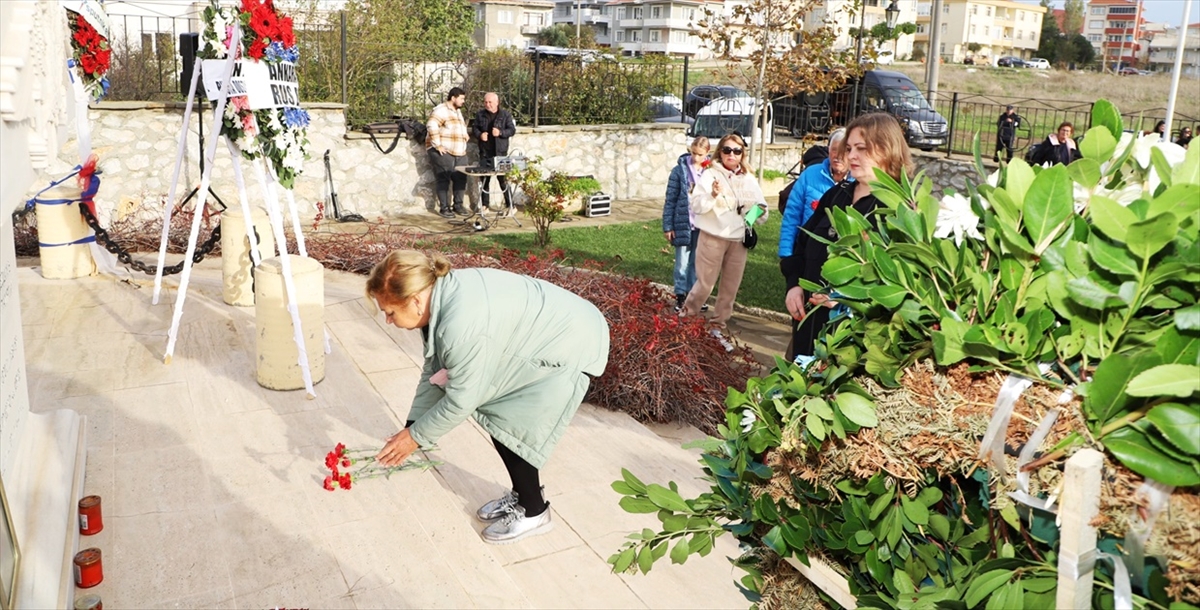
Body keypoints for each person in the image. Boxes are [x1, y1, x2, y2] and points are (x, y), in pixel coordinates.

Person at [368, 250, 610, 544]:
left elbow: (461, 400)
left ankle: (534, 512)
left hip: (570, 342)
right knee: (501, 415)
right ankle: (523, 496)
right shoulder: (442, 296)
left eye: (390, 312)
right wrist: (413, 425)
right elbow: (436, 368)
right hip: (556, 329)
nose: (388, 321)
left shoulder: (460, 324)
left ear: (415, 300)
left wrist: (416, 436)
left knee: (510, 419)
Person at [780, 113, 912, 359]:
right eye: (849, 148)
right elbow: (802, 244)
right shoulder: (835, 195)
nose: (850, 156)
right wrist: (794, 284)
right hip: (806, 326)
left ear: (887, 150)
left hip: (852, 347)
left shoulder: (899, 210)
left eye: (861, 149)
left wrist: (845, 302)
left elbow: (899, 290)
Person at [681, 133, 769, 352]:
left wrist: (749, 216)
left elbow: (763, 209)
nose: (732, 154)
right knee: (704, 285)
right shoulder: (710, 174)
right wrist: (711, 194)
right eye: (727, 150)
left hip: (737, 241)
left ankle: (717, 328)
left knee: (730, 289)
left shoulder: (748, 178)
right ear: (720, 151)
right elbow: (697, 206)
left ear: (742, 154)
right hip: (713, 237)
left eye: (737, 151)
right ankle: (684, 322)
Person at [778, 128, 848, 361]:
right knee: (800, 322)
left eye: (844, 151)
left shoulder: (855, 189)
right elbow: (792, 218)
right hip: (804, 263)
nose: (837, 156)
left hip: (834, 280)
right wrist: (787, 262)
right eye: (833, 150)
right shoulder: (811, 175)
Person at [662, 136, 711, 312]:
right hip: (683, 222)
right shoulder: (679, 171)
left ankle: (695, 295)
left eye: (699, 155)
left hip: (703, 224)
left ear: (707, 153)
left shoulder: (710, 171)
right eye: (693, 153)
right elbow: (670, 200)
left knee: (698, 262)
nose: (695, 158)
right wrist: (668, 226)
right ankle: (681, 296)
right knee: (682, 262)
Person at [426, 87, 470, 218]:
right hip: (444, 151)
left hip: (459, 152)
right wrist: (437, 145)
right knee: (444, 178)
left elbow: (459, 127)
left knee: (461, 177)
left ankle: (458, 205)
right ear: (453, 98)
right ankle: (444, 208)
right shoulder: (441, 110)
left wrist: (465, 135)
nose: (463, 101)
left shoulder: (457, 111)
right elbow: (431, 125)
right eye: (461, 98)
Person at [469, 92, 518, 211]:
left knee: (503, 180)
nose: (487, 104)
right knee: (485, 179)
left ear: (497, 102)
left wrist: (500, 133)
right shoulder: (480, 115)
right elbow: (475, 128)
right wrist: (480, 135)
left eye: (490, 102)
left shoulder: (505, 115)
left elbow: (511, 130)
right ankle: (485, 205)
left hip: (500, 152)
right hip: (485, 152)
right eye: (485, 102)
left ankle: (510, 205)